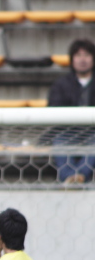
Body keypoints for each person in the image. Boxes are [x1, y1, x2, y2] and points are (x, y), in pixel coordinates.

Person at [47, 38, 95, 184]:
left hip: (93, 132)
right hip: (67, 132)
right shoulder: (61, 84)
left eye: (86, 55)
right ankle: (70, 178)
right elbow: (53, 109)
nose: (82, 60)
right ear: (72, 59)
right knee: (60, 142)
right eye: (78, 55)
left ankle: (79, 178)